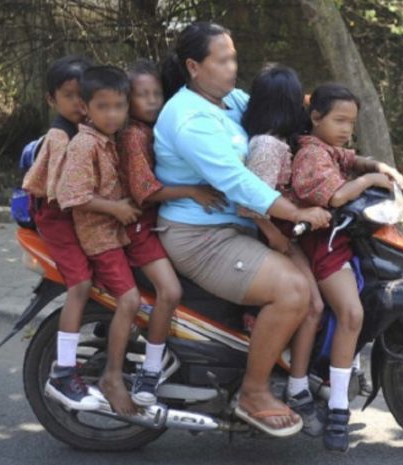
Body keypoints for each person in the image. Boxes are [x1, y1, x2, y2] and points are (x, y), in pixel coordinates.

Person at [155, 22, 331, 437]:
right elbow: (237, 181)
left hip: (234, 227)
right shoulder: (188, 117)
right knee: (293, 291)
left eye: (234, 57)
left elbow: (274, 113)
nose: (234, 67)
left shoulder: (227, 99)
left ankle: (292, 375)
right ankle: (252, 393)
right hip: (201, 236)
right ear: (195, 66)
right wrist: (295, 211)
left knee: (312, 292)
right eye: (223, 59)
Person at [291, 83, 403, 451]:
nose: (345, 130)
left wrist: (378, 165)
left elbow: (352, 159)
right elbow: (336, 195)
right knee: (351, 313)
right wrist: (371, 180)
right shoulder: (310, 156)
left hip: (341, 241)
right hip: (323, 248)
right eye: (339, 120)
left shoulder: (329, 150)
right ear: (315, 117)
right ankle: (338, 408)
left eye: (351, 123)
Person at [57, 66, 176, 416]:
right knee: (129, 301)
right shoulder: (84, 144)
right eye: (104, 106)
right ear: (86, 108)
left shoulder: (109, 139)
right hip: (101, 236)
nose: (113, 114)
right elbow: (72, 196)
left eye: (119, 106)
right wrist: (116, 208)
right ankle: (112, 376)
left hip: (116, 232)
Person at [117, 59, 228, 406]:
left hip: (157, 221)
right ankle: (150, 370)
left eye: (156, 94)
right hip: (139, 227)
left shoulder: (158, 126)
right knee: (170, 291)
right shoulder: (135, 135)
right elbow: (145, 191)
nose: (151, 101)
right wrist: (193, 192)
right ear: (127, 101)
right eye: (142, 95)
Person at [240, 63, 324, 437]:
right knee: (312, 305)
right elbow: (248, 203)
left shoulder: (281, 142)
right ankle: (296, 387)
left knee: (317, 305)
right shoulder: (267, 146)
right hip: (271, 235)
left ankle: (299, 379)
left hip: (286, 231)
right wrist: (272, 234)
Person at [22, 55, 100, 411]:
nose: (79, 104)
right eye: (70, 96)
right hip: (57, 218)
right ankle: (63, 371)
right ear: (52, 99)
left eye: (84, 96)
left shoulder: (86, 129)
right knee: (81, 284)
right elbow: (65, 195)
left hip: (74, 214)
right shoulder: (59, 137)